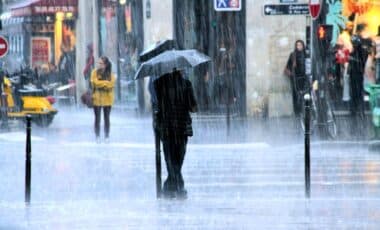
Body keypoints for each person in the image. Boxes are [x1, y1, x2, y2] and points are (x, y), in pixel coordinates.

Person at [154, 70, 197, 198]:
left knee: (170, 158)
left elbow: (156, 104)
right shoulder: (186, 84)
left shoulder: (158, 83)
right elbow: (193, 107)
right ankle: (178, 185)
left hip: (166, 127)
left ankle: (171, 185)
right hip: (181, 127)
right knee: (178, 158)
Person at [90, 56, 116, 143]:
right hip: (97, 99)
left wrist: (101, 84)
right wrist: (105, 83)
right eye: (99, 63)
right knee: (97, 119)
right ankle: (97, 136)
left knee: (107, 118)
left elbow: (111, 85)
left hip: (108, 100)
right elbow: (94, 83)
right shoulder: (94, 72)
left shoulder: (110, 74)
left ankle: (106, 136)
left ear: (105, 65)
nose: (99, 65)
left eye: (101, 63)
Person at [284, 40, 307, 116]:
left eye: (300, 45)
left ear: (303, 46)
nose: (299, 47)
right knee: (296, 95)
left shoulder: (306, 54)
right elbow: (287, 67)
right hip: (296, 79)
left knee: (306, 95)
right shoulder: (293, 55)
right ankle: (297, 112)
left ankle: (305, 111)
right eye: (297, 45)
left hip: (305, 78)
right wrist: (291, 74)